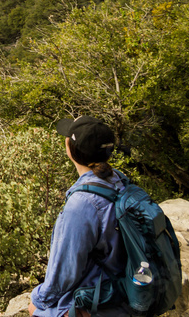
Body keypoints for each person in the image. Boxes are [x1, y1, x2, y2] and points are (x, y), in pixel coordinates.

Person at [28, 116, 129, 317]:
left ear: (70, 149)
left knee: (35, 308)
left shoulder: (82, 203)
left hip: (99, 301)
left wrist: (37, 300)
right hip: (122, 290)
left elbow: (64, 273)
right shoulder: (120, 181)